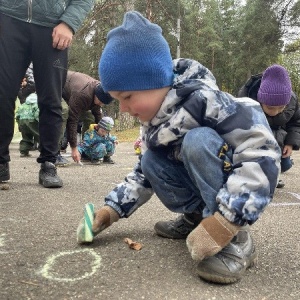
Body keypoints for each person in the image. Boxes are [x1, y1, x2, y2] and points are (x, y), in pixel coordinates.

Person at [77, 11, 281, 284]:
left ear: (156, 80)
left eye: (127, 96)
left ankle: (236, 239)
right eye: (116, 100)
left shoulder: (206, 101)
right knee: (149, 161)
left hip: (232, 200)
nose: (123, 108)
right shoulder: (153, 120)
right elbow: (141, 175)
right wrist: (110, 211)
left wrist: (228, 220)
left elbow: (262, 151)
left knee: (198, 141)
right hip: (203, 189)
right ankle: (197, 218)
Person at [0, 1, 94, 188]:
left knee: (51, 98)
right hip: (8, 18)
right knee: (2, 94)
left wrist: (69, 23)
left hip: (53, 26)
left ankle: (49, 163)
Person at [238, 64, 300, 188]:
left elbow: (296, 123)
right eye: (270, 107)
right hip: (253, 142)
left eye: (281, 107)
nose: (275, 112)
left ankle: (272, 173)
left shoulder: (292, 101)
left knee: (286, 165)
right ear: (260, 100)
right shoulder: (246, 98)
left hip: (278, 141)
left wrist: (290, 143)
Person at [62, 71, 113, 164]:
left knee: (90, 118)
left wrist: (102, 128)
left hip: (74, 92)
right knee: (63, 112)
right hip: (59, 87)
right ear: (96, 95)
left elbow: (97, 113)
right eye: (101, 102)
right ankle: (54, 152)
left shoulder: (98, 90)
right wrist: (74, 148)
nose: (101, 104)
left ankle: (87, 151)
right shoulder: (82, 95)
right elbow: (72, 120)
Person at [15, 93, 40, 157]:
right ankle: (44, 151)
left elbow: (17, 115)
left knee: (26, 137)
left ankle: (24, 152)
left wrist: (19, 123)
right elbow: (37, 114)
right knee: (39, 136)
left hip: (22, 122)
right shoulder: (36, 105)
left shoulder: (23, 105)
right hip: (32, 121)